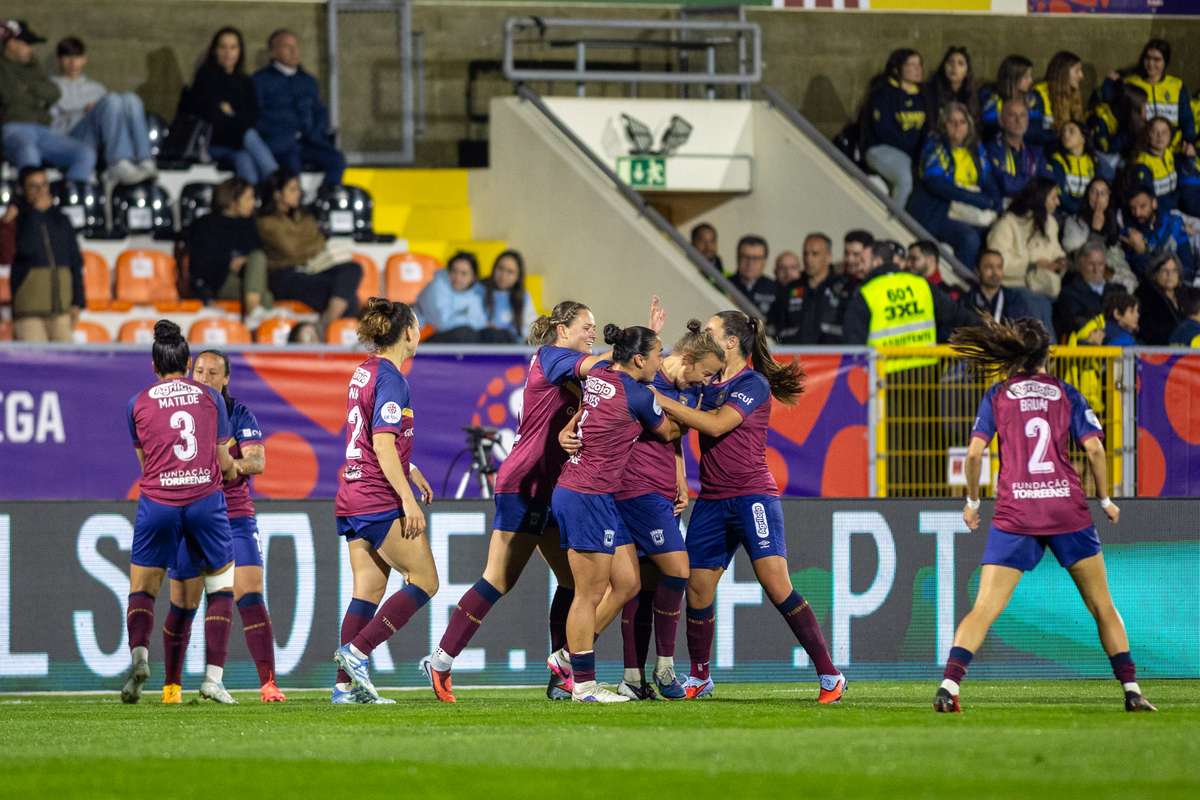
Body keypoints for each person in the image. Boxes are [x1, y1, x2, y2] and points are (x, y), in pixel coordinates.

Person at [933, 317, 1155, 714]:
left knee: (984, 608)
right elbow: (1095, 450)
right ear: (1047, 354)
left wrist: (972, 502)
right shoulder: (1066, 393)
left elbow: (974, 454)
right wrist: (1105, 499)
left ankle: (949, 687)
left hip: (1016, 512)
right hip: (1066, 509)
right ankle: (1132, 690)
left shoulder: (997, 395)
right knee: (1102, 606)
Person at [420, 300, 616, 703]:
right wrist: (629, 351)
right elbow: (599, 367)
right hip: (525, 484)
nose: (592, 333)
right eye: (586, 326)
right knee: (498, 579)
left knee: (575, 582)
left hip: (554, 486)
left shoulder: (572, 369)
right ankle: (440, 660)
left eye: (595, 327)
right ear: (562, 329)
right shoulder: (553, 356)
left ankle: (562, 675)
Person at [651, 311, 844, 702]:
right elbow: (676, 425)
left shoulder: (753, 383)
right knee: (698, 589)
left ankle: (830, 674)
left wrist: (658, 400)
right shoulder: (706, 381)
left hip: (753, 497)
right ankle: (700, 676)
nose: (704, 336)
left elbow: (716, 425)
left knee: (776, 585)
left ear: (731, 342)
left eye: (711, 331)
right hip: (711, 499)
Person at [558, 320, 724, 700]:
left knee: (628, 583)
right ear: (638, 359)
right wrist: (691, 409)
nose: (660, 360)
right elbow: (669, 432)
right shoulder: (637, 394)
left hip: (587, 491)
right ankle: (583, 683)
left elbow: (590, 400)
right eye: (655, 354)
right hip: (592, 493)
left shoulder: (600, 373)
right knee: (590, 593)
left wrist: (566, 429)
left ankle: (573, 662)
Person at [121, 320, 238, 705]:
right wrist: (232, 470)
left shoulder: (137, 403)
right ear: (188, 364)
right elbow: (222, 459)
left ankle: (140, 657)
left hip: (158, 502)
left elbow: (146, 464)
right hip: (204, 500)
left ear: (154, 366)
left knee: (143, 588)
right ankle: (212, 679)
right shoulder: (211, 398)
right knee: (220, 585)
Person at [331, 298, 438, 704]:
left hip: (352, 493)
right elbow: (381, 443)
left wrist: (411, 469)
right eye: (417, 327)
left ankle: (345, 688)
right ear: (407, 332)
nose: (419, 334)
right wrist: (408, 500)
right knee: (426, 580)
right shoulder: (393, 379)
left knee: (368, 591)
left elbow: (368, 437)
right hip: (377, 497)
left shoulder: (364, 371)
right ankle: (358, 653)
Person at [190, 350, 285, 702]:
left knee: (250, 591)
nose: (204, 378)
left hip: (234, 514)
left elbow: (257, 460)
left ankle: (268, 683)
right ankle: (175, 685)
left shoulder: (238, 413)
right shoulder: (180, 413)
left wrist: (232, 467)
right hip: (194, 513)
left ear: (226, 378)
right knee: (186, 600)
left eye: (213, 372)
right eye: (199, 371)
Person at [257, 169, 362, 329]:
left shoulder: (304, 216)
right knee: (348, 298)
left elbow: (319, 243)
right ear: (277, 194)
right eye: (292, 189)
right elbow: (291, 250)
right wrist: (307, 244)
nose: (298, 193)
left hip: (312, 269)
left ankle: (325, 322)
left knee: (353, 268)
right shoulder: (265, 222)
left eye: (298, 189)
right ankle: (325, 327)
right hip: (283, 276)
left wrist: (303, 245)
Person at [50, 36, 155, 185]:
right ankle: (117, 162)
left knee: (130, 99)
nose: (73, 62)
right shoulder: (50, 88)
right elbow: (51, 128)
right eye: (68, 57)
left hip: (99, 141)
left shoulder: (96, 88)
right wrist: (83, 112)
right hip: (72, 139)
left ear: (84, 59)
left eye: (77, 57)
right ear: (59, 60)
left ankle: (145, 161)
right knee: (111, 100)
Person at [908, 102, 1001, 271]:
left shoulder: (976, 148)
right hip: (938, 210)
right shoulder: (935, 145)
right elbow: (936, 184)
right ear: (944, 125)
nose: (958, 126)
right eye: (952, 122)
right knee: (969, 238)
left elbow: (989, 180)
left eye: (962, 122)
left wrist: (995, 201)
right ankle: (961, 281)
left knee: (997, 233)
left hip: (967, 209)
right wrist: (976, 199)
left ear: (969, 125)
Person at [0, 20, 95, 183]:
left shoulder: (33, 65)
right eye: (26, 43)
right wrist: (35, 93)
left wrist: (28, 87)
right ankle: (31, 198)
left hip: (43, 129)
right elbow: (10, 96)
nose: (30, 48)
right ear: (11, 43)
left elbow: (54, 93)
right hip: (13, 128)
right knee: (28, 150)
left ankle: (67, 196)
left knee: (84, 153)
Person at [253, 29, 345, 187]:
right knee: (291, 166)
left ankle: (324, 196)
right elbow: (257, 116)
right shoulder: (259, 81)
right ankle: (292, 200)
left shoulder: (308, 81)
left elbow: (320, 112)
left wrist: (316, 133)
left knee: (336, 160)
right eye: (287, 47)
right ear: (273, 52)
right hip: (279, 144)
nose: (294, 51)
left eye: (296, 46)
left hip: (310, 143)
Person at [190, 27, 278, 184]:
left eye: (233, 47)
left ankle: (253, 196)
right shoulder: (205, 78)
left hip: (239, 145)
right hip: (215, 143)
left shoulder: (245, 82)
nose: (228, 53)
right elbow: (213, 117)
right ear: (215, 50)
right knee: (249, 135)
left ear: (239, 51)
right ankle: (278, 183)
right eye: (223, 47)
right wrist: (236, 118)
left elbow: (252, 116)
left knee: (245, 159)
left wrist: (231, 114)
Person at [843, 240, 969, 346]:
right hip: (924, 366)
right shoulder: (921, 286)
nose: (859, 266)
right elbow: (963, 317)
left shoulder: (867, 294)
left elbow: (854, 345)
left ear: (877, 262)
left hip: (883, 366)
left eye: (863, 261)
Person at [8, 167, 83, 342]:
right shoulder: (18, 219)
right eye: (34, 186)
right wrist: (35, 214)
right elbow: (25, 249)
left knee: (66, 358)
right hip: (28, 311)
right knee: (34, 358)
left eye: (44, 185)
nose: (41, 191)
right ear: (23, 190)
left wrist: (78, 301)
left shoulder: (62, 219)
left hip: (61, 310)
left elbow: (75, 261)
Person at [186, 177, 271, 322]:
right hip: (220, 280)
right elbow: (200, 264)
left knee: (258, 258)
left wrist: (245, 261)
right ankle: (256, 316)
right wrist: (229, 263)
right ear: (233, 201)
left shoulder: (249, 225)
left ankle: (254, 317)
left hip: (247, 278)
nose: (253, 203)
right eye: (248, 198)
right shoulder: (206, 225)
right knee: (265, 296)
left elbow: (259, 255)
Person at [863, 49, 929, 210]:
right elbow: (884, 131)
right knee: (905, 180)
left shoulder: (924, 95)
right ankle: (895, 220)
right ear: (896, 68)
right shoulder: (884, 93)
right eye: (911, 64)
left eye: (919, 64)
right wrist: (913, 151)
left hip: (913, 154)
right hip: (882, 148)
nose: (918, 68)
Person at [986, 177, 1067, 308]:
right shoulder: (1008, 223)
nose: (1058, 202)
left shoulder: (1051, 223)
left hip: (1046, 285)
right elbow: (996, 263)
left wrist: (1060, 261)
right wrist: (1032, 266)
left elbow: (1056, 250)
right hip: (1014, 286)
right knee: (1038, 305)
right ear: (1040, 199)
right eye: (1053, 198)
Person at [1104, 39, 1195, 149]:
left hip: (1172, 148)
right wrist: (1109, 83)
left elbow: (1186, 119)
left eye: (1157, 60)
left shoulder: (1176, 86)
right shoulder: (1130, 84)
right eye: (1147, 58)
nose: (1151, 64)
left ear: (1165, 62)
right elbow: (1114, 112)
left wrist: (1189, 142)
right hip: (1140, 147)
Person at [1061, 177, 1137, 292]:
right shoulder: (1074, 222)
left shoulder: (1115, 219)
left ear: (1109, 197)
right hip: (1086, 276)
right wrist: (1095, 231)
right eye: (1093, 192)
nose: (1098, 198)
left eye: (1103, 193)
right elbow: (1079, 261)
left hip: (1117, 271)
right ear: (1087, 195)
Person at [984, 96, 1053, 202]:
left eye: (1022, 115)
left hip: (1031, 205)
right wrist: (1035, 180)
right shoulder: (992, 149)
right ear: (1001, 120)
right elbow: (1007, 185)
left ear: (1028, 120)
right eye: (1012, 115)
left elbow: (1049, 184)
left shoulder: (1035, 152)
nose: (1018, 120)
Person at [1120, 187, 1195, 282]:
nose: (1137, 213)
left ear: (1154, 203)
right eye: (1133, 208)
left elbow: (1187, 263)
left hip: (1180, 282)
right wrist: (1140, 253)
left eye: (1143, 206)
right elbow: (1141, 276)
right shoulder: (1129, 234)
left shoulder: (1173, 224)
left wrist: (1179, 281)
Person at [1054, 240, 1123, 341]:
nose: (1096, 269)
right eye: (1091, 264)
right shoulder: (1069, 294)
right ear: (1080, 265)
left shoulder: (1119, 291)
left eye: (1100, 264)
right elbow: (1077, 323)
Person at [414, 251, 488, 343]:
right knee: (465, 333)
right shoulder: (437, 286)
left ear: (473, 277)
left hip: (459, 338)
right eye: (454, 271)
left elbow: (482, 322)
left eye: (464, 273)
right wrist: (472, 320)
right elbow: (442, 323)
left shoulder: (478, 291)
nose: (457, 277)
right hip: (423, 337)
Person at [1027, 51, 1086, 148]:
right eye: (1077, 71)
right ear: (1063, 73)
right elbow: (1032, 133)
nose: (1081, 76)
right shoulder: (1038, 95)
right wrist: (1061, 137)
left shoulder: (1073, 94)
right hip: (1045, 151)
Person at [1049, 121, 1107, 217]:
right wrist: (1078, 209)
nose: (1066, 135)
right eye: (1063, 132)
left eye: (1071, 131)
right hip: (1064, 212)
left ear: (1083, 138)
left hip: (1089, 210)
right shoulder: (1058, 160)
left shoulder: (1093, 161)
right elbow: (1060, 192)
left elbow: (1098, 186)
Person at [960, 249, 1029, 325]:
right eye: (989, 267)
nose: (995, 272)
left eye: (999, 267)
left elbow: (1024, 328)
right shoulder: (967, 301)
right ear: (977, 271)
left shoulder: (1015, 300)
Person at [1130, 116, 1182, 214]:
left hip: (1174, 206)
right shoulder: (1142, 164)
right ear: (1148, 134)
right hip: (1160, 212)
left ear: (1170, 136)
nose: (1160, 136)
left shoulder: (1168, 153)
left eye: (1164, 132)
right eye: (1154, 132)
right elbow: (1147, 201)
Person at [482, 249, 536, 343]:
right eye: (500, 269)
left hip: (513, 346)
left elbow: (531, 327)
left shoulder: (523, 296)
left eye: (510, 272)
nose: (503, 275)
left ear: (518, 277)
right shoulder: (480, 290)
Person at [979, 55, 1036, 140]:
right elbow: (987, 121)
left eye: (1030, 76)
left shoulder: (1031, 98)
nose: (1031, 80)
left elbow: (1037, 121)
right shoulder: (993, 98)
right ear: (1013, 77)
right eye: (1026, 77)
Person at [1135, 251, 1185, 346]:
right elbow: (1148, 332)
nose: (1169, 275)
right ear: (1155, 274)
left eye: (1174, 270)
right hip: (1158, 349)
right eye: (1164, 270)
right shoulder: (1145, 296)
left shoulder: (1186, 295)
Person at [923, 46, 978, 125]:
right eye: (950, 62)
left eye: (960, 63)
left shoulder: (972, 95)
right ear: (944, 67)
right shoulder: (931, 91)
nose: (954, 67)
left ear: (967, 72)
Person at [731, 234, 777, 317]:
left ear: (764, 262)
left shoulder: (775, 289)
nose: (750, 263)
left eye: (756, 258)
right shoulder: (725, 285)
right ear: (738, 258)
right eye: (745, 257)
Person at [768, 248, 804, 342]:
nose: (788, 273)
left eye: (793, 267)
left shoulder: (809, 293)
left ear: (800, 270)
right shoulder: (768, 293)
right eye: (782, 268)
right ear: (775, 272)